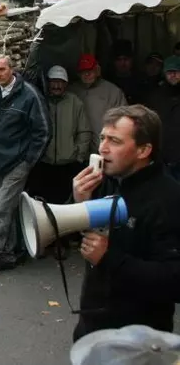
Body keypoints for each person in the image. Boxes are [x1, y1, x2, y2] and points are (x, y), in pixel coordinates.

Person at [71, 105, 180, 341]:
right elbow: (79, 237)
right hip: (93, 325)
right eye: (102, 138)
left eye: (115, 141)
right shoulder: (106, 180)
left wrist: (109, 258)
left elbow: (174, 280)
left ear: (143, 150)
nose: (102, 148)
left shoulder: (168, 199)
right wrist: (80, 203)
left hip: (138, 339)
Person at [0, 54, 50, 275]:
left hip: (17, 163)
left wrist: (28, 162)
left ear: (11, 69)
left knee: (3, 209)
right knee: (3, 209)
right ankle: (9, 253)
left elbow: (43, 131)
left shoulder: (29, 95)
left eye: (2, 70)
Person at [26, 65, 91, 259]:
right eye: (53, 81)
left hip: (67, 162)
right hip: (44, 163)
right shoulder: (40, 101)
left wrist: (78, 154)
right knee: (43, 202)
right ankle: (46, 241)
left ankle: (62, 242)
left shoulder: (75, 103)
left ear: (66, 84)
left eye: (60, 82)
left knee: (65, 205)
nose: (56, 85)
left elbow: (84, 131)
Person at [70, 54, 126, 153]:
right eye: (83, 71)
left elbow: (123, 122)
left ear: (97, 70)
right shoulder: (71, 91)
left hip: (103, 151)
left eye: (90, 70)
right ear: (78, 74)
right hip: (75, 153)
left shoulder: (113, 92)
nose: (87, 74)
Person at [145, 55, 180, 181]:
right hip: (161, 157)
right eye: (170, 72)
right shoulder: (155, 97)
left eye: (176, 72)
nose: (173, 76)